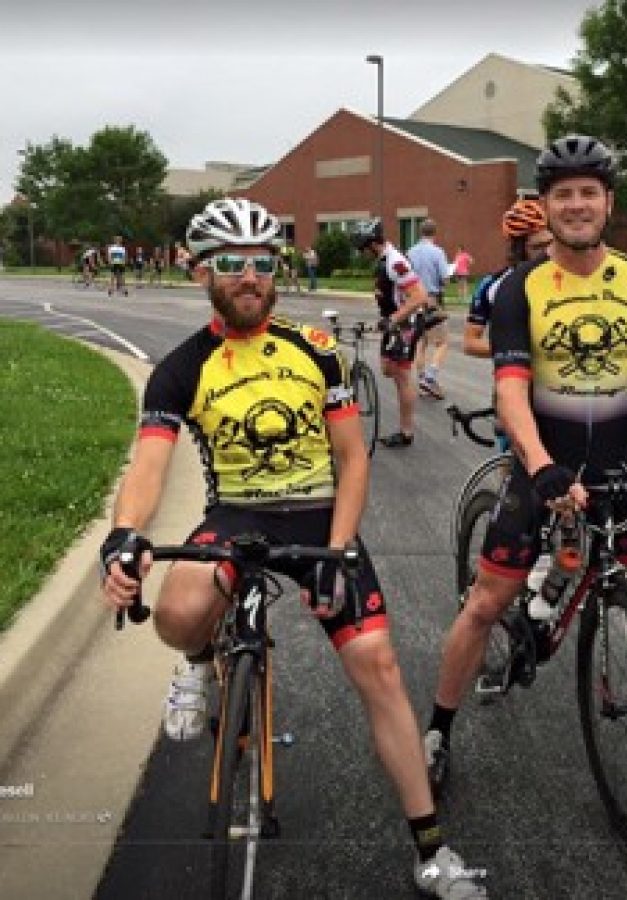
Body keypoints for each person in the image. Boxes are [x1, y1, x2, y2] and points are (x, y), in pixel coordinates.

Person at [98, 197, 487, 899]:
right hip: (237, 516)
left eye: (262, 263)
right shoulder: (182, 368)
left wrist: (339, 549)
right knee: (179, 613)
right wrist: (123, 538)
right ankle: (198, 663)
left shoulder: (317, 350)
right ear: (201, 274)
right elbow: (148, 465)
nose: (250, 276)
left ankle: (431, 848)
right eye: (233, 264)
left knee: (379, 664)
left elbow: (353, 458)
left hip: (317, 521)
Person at [423, 135, 627, 790]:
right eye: (562, 193)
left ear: (608, 202)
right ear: (546, 204)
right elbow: (510, 387)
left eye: (587, 192)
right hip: (543, 474)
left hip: (618, 477)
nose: (575, 204)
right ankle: (437, 730)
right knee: (485, 605)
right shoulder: (521, 288)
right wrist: (540, 466)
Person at [353, 218, 432, 448]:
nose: (361, 254)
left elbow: (419, 296)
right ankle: (406, 426)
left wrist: (394, 319)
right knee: (388, 369)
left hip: (405, 325)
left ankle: (406, 432)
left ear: (371, 245)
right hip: (394, 323)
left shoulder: (395, 262)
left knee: (401, 376)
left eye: (362, 249)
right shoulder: (384, 259)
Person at [463, 199, 552, 359]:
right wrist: (515, 350)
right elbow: (470, 343)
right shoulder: (492, 285)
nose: (546, 252)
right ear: (518, 248)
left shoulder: (568, 274)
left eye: (549, 244)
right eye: (538, 247)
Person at [408, 219, 453, 399]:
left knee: (421, 342)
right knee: (442, 342)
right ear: (434, 233)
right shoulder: (437, 252)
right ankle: (430, 377)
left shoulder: (410, 252)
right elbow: (445, 278)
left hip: (414, 301)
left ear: (420, 232)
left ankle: (421, 379)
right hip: (432, 300)